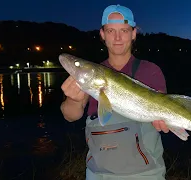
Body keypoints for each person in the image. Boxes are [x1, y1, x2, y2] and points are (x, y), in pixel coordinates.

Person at [60, 4, 169, 180]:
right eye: (111, 31)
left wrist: (166, 122)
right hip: (99, 174)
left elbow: (164, 109)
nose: (118, 37)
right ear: (102, 35)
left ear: (134, 34)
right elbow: (70, 115)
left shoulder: (151, 70)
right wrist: (72, 100)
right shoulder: (94, 74)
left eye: (124, 30)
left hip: (146, 174)